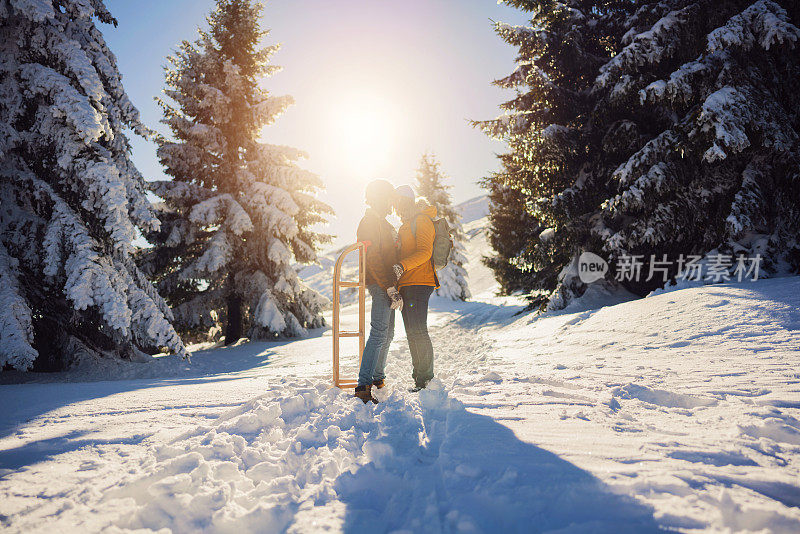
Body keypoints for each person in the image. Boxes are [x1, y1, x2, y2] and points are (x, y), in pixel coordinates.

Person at [354, 180, 404, 404]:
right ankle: (363, 385)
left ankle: (378, 377)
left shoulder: (384, 223)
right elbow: (372, 257)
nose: (391, 205)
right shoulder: (369, 222)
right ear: (380, 199)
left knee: (389, 333)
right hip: (380, 283)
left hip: (389, 284)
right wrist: (388, 286)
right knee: (379, 332)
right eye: (389, 200)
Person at [392, 185, 438, 391]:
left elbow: (425, 252)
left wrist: (402, 265)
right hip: (407, 284)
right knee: (412, 333)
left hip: (420, 282)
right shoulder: (406, 224)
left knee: (418, 331)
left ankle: (426, 379)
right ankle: (419, 380)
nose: (396, 207)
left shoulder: (422, 220)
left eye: (398, 202)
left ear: (406, 201)